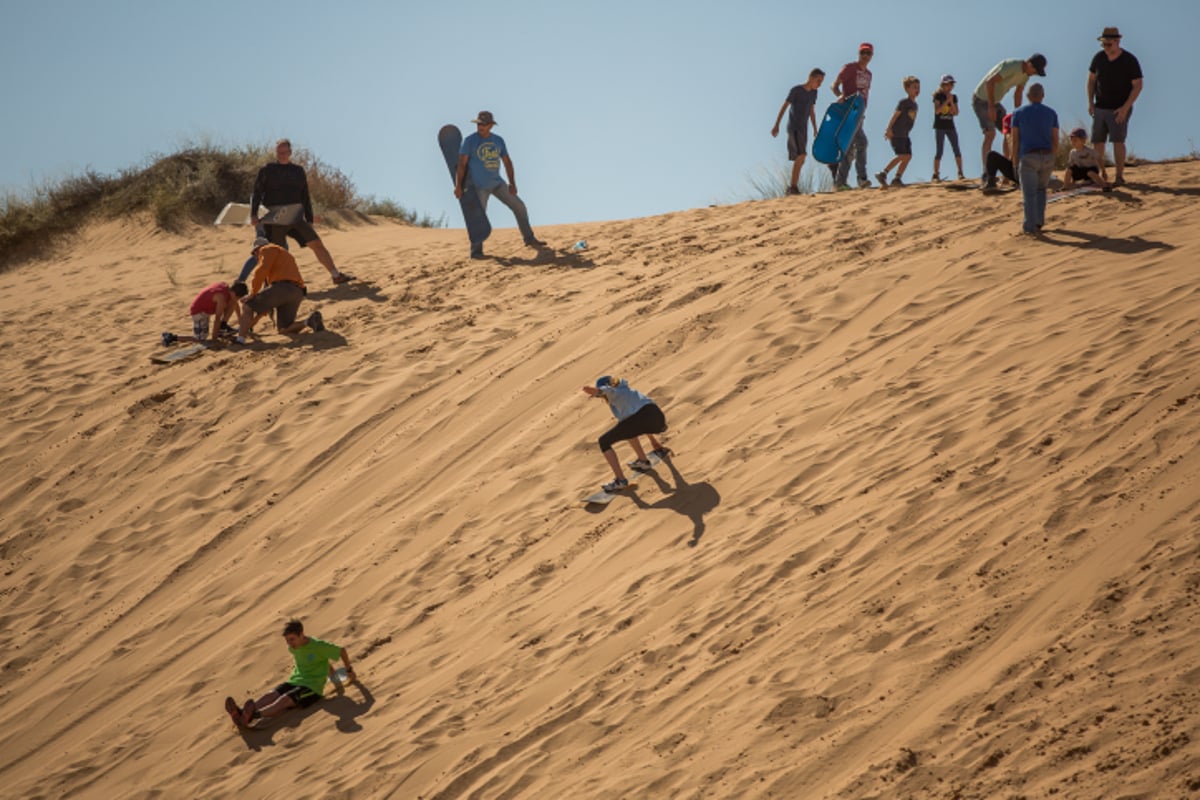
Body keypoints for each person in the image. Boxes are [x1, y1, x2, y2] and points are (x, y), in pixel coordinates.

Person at [251, 139, 352, 285]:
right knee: (275, 253)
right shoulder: (267, 170)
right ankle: (270, 287)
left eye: (284, 152)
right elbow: (257, 192)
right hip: (275, 218)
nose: (281, 155)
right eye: (279, 152)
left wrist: (309, 219)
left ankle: (336, 275)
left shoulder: (298, 171)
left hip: (296, 217)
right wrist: (254, 214)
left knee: (316, 244)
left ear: (290, 153)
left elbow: (305, 195)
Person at [226, 620, 355, 727]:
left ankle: (253, 716)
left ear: (301, 634)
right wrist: (333, 677)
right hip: (294, 681)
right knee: (271, 694)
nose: (289, 643)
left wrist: (349, 671)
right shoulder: (293, 648)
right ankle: (243, 713)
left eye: (292, 639)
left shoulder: (318, 646)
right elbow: (323, 662)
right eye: (287, 640)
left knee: (285, 699)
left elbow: (341, 651)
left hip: (312, 689)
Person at [455, 111, 546, 259]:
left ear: (491, 125)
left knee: (519, 206)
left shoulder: (498, 141)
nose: (480, 127)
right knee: (478, 219)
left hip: (498, 184)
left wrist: (512, 183)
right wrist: (458, 186)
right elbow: (461, 165)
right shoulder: (469, 141)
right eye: (479, 124)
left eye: (484, 124)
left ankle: (529, 238)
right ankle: (476, 251)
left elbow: (507, 162)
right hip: (479, 187)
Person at [581, 376, 670, 493]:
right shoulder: (630, 392)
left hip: (641, 419)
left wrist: (592, 390)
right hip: (658, 419)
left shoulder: (613, 392)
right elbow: (644, 412)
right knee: (626, 427)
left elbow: (606, 390)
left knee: (604, 441)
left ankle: (620, 481)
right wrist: (654, 442)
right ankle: (643, 461)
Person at [973, 54, 1047, 181]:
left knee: (1011, 132)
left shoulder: (1025, 76)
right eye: (1035, 71)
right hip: (982, 100)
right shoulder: (1011, 66)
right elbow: (989, 83)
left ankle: (1009, 171)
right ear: (1029, 64)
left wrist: (1018, 114)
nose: (1034, 74)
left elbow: (1018, 94)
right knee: (990, 134)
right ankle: (987, 173)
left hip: (995, 102)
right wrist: (990, 106)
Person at [237, 237, 325, 343]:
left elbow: (261, 271)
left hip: (281, 288)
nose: (255, 257)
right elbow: (265, 306)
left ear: (257, 249)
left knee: (247, 305)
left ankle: (240, 339)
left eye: (254, 254)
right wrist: (248, 326)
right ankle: (308, 322)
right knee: (284, 329)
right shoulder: (283, 254)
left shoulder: (266, 249)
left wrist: (252, 293)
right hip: (297, 292)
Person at [1088, 27, 1143, 186]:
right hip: (1100, 107)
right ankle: (1099, 175)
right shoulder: (1099, 58)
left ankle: (1119, 176)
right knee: (1098, 141)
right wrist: (1090, 102)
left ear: (1117, 42)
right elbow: (1091, 80)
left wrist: (1125, 108)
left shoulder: (1129, 60)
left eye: (1109, 44)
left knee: (1118, 141)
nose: (1106, 47)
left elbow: (1138, 85)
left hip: (1119, 108)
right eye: (1104, 44)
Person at [1010, 83, 1059, 235]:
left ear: (1028, 96)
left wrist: (1014, 160)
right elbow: (1055, 138)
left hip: (1029, 155)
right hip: (1047, 155)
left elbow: (1015, 139)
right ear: (1042, 96)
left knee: (1029, 193)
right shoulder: (1051, 113)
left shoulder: (1018, 113)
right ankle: (1038, 221)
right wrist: (1053, 156)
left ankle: (1030, 227)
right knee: (1041, 189)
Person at [771, 68, 825, 195]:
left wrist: (815, 128)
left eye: (821, 81)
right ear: (811, 78)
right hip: (794, 127)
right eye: (819, 81)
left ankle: (792, 187)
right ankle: (793, 187)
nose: (820, 84)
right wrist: (776, 125)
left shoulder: (814, 93)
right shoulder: (796, 90)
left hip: (804, 129)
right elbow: (784, 106)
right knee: (801, 156)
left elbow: (812, 111)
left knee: (802, 158)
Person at [830, 43, 875, 190]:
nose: (865, 56)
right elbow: (834, 85)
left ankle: (839, 183)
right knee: (862, 143)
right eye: (863, 53)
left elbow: (865, 94)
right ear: (858, 53)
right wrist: (840, 96)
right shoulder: (850, 68)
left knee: (849, 149)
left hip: (859, 113)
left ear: (872, 56)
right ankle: (861, 179)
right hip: (848, 112)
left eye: (868, 53)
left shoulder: (869, 74)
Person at [161, 280, 248, 347]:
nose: (237, 299)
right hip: (199, 312)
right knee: (200, 339)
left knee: (232, 303)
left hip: (208, 309)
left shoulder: (228, 291)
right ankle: (171, 337)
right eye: (238, 297)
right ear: (233, 293)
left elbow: (235, 305)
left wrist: (240, 321)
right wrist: (214, 339)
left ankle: (223, 327)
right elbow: (217, 318)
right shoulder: (221, 297)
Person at [875, 76, 920, 189]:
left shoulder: (915, 105)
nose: (917, 89)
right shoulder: (904, 102)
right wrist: (888, 129)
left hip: (905, 135)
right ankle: (883, 173)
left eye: (918, 87)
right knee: (901, 155)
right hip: (897, 133)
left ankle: (897, 178)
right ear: (907, 89)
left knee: (908, 156)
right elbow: (895, 115)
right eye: (914, 87)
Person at [930, 74, 965, 181]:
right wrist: (946, 102)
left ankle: (960, 172)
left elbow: (956, 112)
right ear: (942, 85)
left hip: (950, 126)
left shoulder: (954, 97)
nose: (949, 87)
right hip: (940, 126)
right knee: (939, 150)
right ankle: (936, 174)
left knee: (956, 148)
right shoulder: (938, 96)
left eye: (951, 84)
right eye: (947, 84)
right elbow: (937, 111)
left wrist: (951, 102)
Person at [982, 113, 1020, 190]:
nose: (1008, 135)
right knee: (991, 155)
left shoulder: (1020, 138)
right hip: (1024, 171)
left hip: (1027, 173)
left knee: (991, 156)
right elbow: (1011, 156)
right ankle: (991, 183)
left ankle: (991, 183)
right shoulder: (1009, 138)